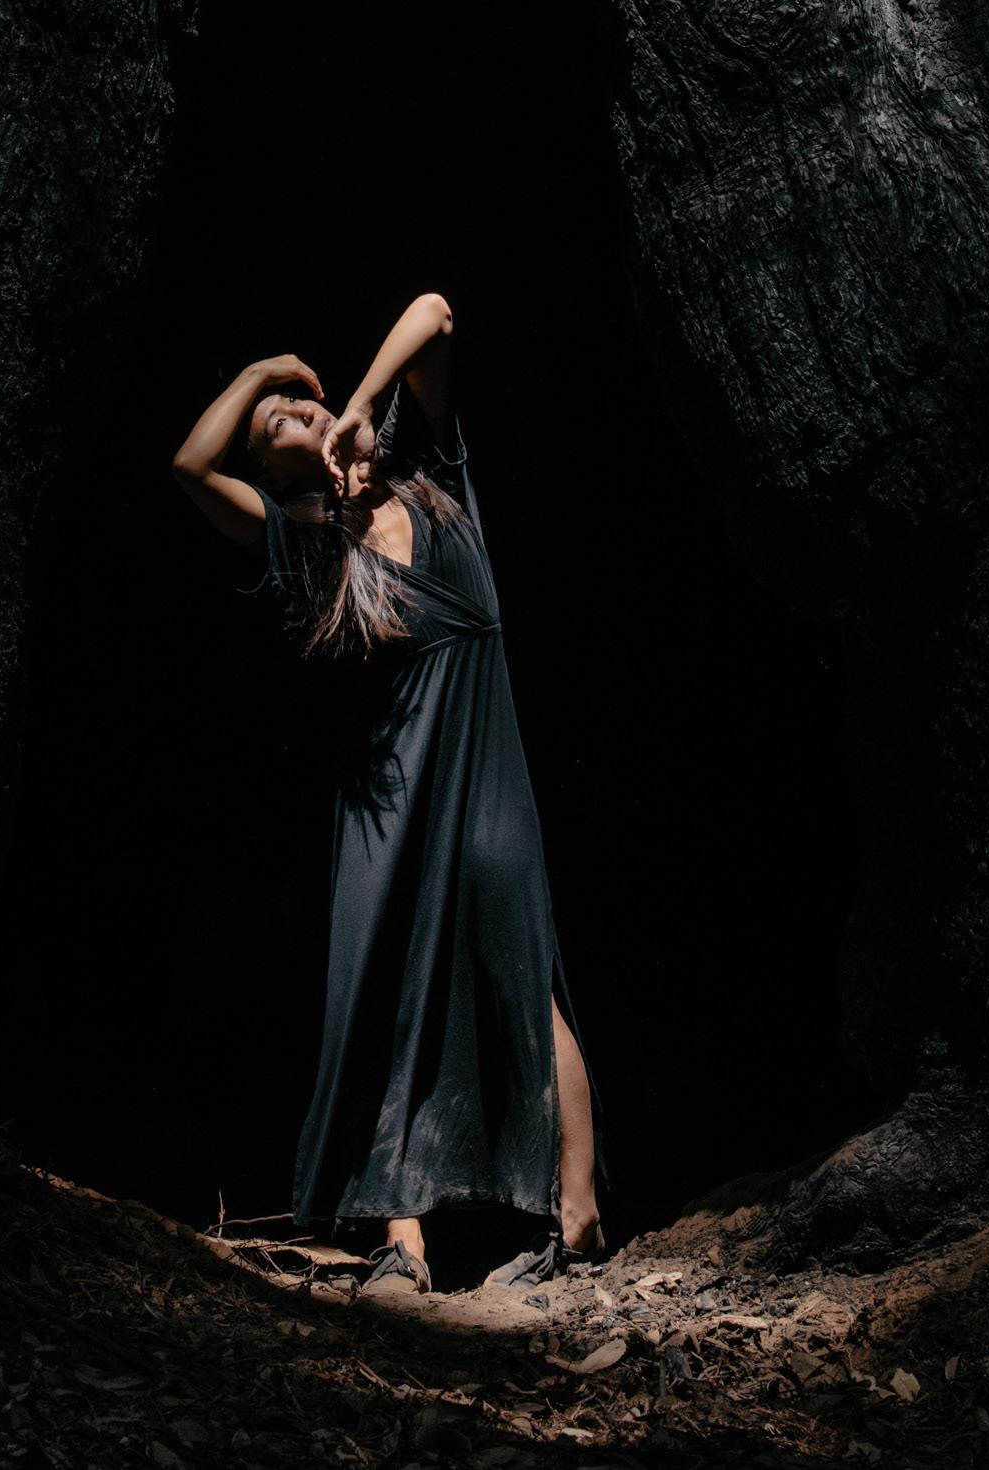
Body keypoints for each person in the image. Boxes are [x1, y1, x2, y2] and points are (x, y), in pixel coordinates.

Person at [171, 291, 611, 1296]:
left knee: (523, 966)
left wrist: (363, 396)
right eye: (274, 425)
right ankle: (401, 1242)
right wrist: (262, 369)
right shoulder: (304, 542)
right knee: (384, 981)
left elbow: (437, 313)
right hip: (390, 786)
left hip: (484, 762)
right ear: (274, 471)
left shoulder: (429, 472)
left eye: (299, 401)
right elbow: (189, 466)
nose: (297, 412)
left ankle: (579, 1217)